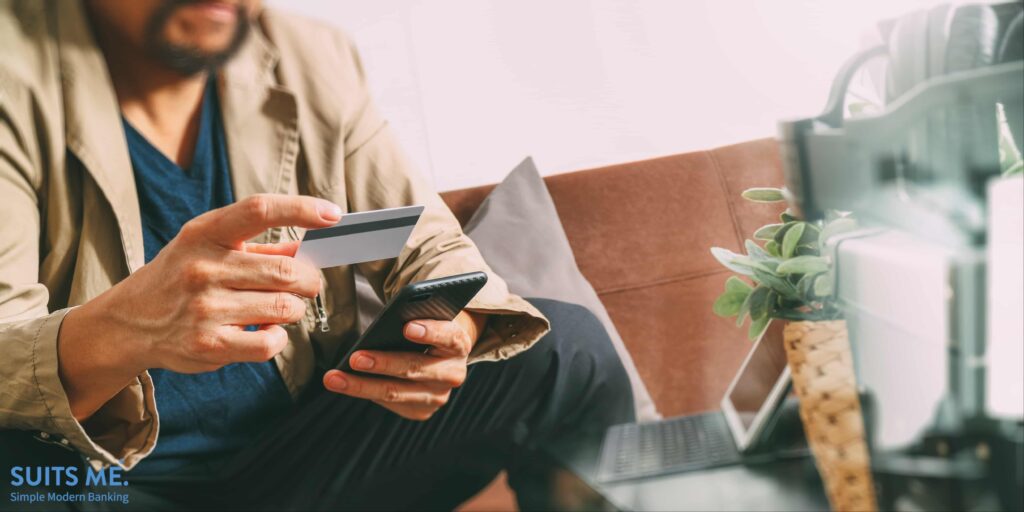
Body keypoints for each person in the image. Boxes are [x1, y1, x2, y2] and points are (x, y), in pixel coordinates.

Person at [0, 0, 634, 509]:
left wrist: (455, 333)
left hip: (299, 456)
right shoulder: (13, 69)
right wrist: (127, 330)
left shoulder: (308, 56)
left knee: (569, 348)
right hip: (106, 479)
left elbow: (427, 243)